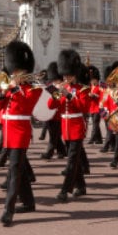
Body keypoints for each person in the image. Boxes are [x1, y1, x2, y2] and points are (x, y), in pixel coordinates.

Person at [0, 41, 42, 227]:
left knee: (13, 171)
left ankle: (8, 210)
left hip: (20, 133)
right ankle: (28, 203)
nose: (14, 74)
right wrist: (3, 93)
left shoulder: (33, 89)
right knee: (17, 169)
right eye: (13, 71)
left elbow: (27, 106)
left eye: (17, 71)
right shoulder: (9, 87)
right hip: (8, 132)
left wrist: (15, 88)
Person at [49, 50, 89, 202]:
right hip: (65, 128)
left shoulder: (82, 90)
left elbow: (83, 107)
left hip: (77, 127)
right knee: (75, 160)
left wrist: (69, 96)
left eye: (68, 75)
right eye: (64, 75)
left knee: (71, 161)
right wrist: (55, 92)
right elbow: (51, 105)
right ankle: (82, 186)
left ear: (74, 74)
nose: (65, 78)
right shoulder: (62, 88)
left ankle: (65, 190)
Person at [40, 62, 66, 160]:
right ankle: (62, 151)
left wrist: (57, 91)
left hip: (58, 115)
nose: (55, 82)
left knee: (53, 136)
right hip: (50, 114)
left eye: (56, 80)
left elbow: (59, 101)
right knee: (55, 136)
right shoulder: (52, 86)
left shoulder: (62, 88)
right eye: (54, 80)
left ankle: (49, 153)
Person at [87, 65, 104, 145]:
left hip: (98, 108)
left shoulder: (100, 86)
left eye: (94, 80)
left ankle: (92, 138)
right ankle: (99, 139)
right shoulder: (91, 86)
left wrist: (95, 95)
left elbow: (103, 96)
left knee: (95, 124)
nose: (93, 81)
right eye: (92, 80)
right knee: (95, 124)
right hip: (92, 107)